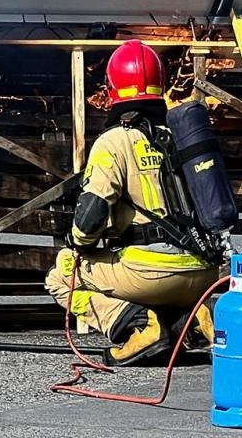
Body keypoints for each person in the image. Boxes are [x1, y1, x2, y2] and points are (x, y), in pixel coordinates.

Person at [45, 40, 222, 366]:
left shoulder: (114, 140)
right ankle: (195, 317)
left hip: (149, 273)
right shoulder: (183, 135)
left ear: (112, 87)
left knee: (60, 274)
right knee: (161, 278)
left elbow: (91, 216)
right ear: (161, 83)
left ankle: (141, 328)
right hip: (206, 271)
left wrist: (79, 243)